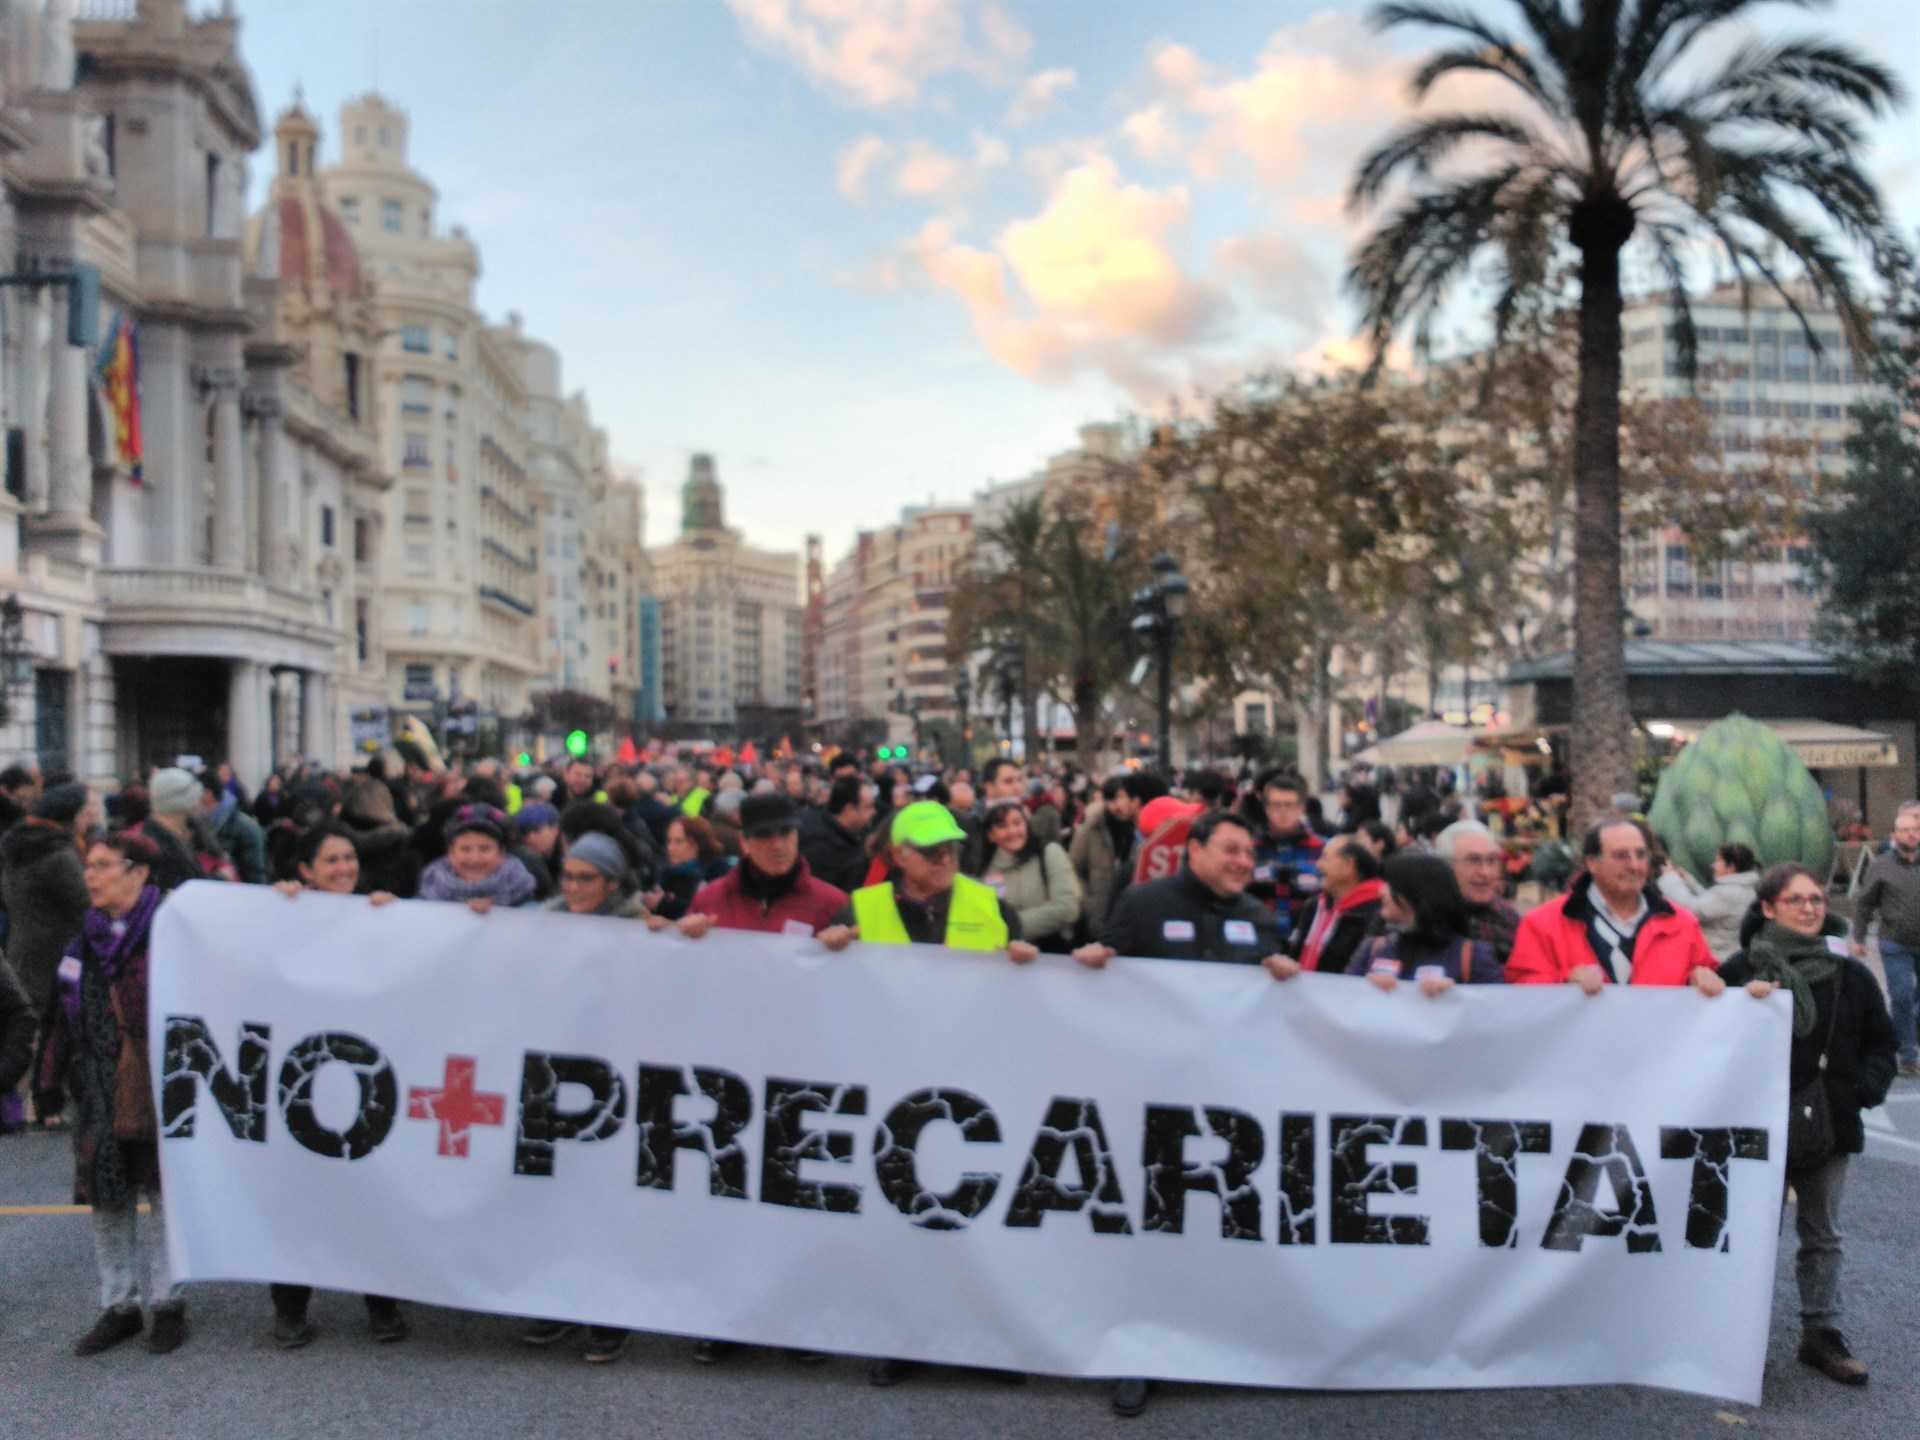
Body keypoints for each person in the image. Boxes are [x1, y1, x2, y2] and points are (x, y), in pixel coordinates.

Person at [1071, 808, 1288, 1416]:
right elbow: (1105, 971)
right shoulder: (1143, 905)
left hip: (1232, 1111)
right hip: (1154, 1101)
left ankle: (1220, 1343)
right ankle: (1138, 1356)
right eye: (1230, 849)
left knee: (1220, 1226)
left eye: (1249, 852)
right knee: (1153, 1228)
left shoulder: (1261, 919)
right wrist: (1092, 963)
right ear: (1194, 849)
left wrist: (1288, 978)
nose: (1243, 861)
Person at [1719, 864, 1896, 1385]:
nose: (1810, 908)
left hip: (1828, 1125)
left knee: (1823, 1235)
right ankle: (1733, 1336)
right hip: (1754, 1129)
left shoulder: (1850, 974)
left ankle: (1821, 1335)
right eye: (1796, 900)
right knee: (1750, 1235)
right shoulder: (1739, 969)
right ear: (1769, 908)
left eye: (1816, 899)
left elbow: (1881, 1043)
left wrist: (1859, 1092)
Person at [33, 832, 188, 1356]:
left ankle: (169, 1303)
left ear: (139, 872)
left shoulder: (175, 931)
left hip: (164, 1088)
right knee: (109, 1199)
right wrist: (47, 1083)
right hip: (98, 1092)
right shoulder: (83, 941)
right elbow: (58, 1018)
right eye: (88, 866)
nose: (90, 876)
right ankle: (118, 1305)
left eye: (103, 865)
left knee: (165, 1197)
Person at [263, 823, 409, 1348]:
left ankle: (382, 1307)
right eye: (331, 861)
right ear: (305, 870)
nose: (345, 868)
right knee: (300, 1199)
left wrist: (403, 918)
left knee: (372, 1195)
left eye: (350, 857)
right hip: (304, 1082)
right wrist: (277, 906)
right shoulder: (285, 915)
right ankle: (290, 1308)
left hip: (366, 1082)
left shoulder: (378, 914)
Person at [1505, 816, 1723, 994]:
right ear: (1592, 863)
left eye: (1640, 854)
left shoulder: (1682, 924)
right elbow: (1520, 993)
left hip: (1659, 1047)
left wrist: (1702, 980)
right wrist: (1564, 981)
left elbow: (1709, 979)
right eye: (1621, 856)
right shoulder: (1542, 924)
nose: (1634, 865)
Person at [820, 802, 1034, 962]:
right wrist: (828, 951)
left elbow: (1019, 997)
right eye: (932, 851)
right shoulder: (857, 911)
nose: (946, 860)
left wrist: (1024, 964)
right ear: (898, 855)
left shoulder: (995, 907)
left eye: (951, 848)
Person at [688, 794, 846, 939]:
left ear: (797, 835)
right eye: (764, 834)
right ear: (744, 842)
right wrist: (676, 933)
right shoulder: (708, 901)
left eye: (785, 832)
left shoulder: (833, 904)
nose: (777, 845)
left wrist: (849, 944)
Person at [1348, 852, 1504, 991]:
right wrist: (1365, 989)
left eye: (1390, 885)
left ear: (1416, 894)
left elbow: (1494, 1011)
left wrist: (1455, 997)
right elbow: (1342, 1004)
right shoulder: (1372, 949)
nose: (1381, 891)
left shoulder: (1473, 956)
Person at [1850, 802, 1920, 1078]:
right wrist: (1857, 937)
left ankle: (1904, 1031)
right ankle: (1908, 1056)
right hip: (1895, 943)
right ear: (1894, 835)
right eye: (1905, 830)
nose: (1911, 834)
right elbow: (1864, 905)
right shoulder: (1880, 866)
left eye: (1916, 829)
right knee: (1901, 996)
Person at [970, 800, 1081, 951]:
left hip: (1051, 954)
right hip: (1005, 959)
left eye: (1017, 823)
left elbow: (1068, 908)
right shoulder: (985, 872)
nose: (1012, 831)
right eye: (1002, 826)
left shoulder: (1049, 853)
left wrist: (1012, 927)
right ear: (991, 835)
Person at [1287, 833, 1386, 975]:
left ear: (1348, 865)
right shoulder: (1314, 906)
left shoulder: (1376, 913)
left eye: (1325, 858)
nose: (1318, 864)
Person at [1243, 771, 1323, 936]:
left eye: (1289, 805)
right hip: (1258, 935)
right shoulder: (1248, 848)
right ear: (1265, 808)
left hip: (1307, 937)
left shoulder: (1324, 849)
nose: (1283, 811)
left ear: (1302, 808)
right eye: (1276, 805)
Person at [1434, 820, 1522, 968]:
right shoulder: (1428, 920)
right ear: (1445, 867)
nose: (1485, 872)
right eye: (1473, 860)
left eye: (1492, 861)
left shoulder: (1510, 919)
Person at [417, 805, 537, 912]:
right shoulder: (430, 890)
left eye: (485, 849)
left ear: (501, 853)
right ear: (451, 853)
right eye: (465, 849)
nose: (475, 859)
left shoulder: (523, 894)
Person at [1069, 776, 1139, 945]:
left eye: (1122, 798)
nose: (1116, 805)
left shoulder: (1140, 829)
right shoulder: (1090, 830)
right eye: (1111, 799)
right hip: (1098, 915)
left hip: (1131, 914)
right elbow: (1073, 869)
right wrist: (1088, 904)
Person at [1674, 842, 1761, 961]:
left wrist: (1670, 879)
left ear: (1731, 867)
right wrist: (1690, 881)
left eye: (1718, 861)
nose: (1713, 865)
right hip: (1728, 956)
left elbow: (1691, 909)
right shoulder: (1743, 889)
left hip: (1714, 960)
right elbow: (1711, 903)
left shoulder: (1727, 893)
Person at [800, 776, 873, 895]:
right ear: (849, 810)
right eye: (868, 807)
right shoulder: (820, 847)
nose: (874, 812)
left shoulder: (858, 835)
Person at [656, 814, 730, 921]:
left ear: (697, 844)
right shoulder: (669, 873)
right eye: (669, 841)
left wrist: (664, 904)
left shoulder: (718, 872)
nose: (670, 848)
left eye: (678, 842)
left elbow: (714, 912)